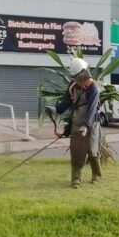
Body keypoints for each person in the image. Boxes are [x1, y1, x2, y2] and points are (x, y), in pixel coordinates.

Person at [49, 57, 102, 188]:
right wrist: (56, 109)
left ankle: (97, 174)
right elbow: (67, 101)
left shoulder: (93, 88)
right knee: (76, 151)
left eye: (78, 77)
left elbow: (92, 109)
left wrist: (86, 126)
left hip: (91, 123)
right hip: (77, 121)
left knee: (92, 150)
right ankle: (76, 179)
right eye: (75, 78)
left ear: (84, 73)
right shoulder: (73, 86)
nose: (77, 80)